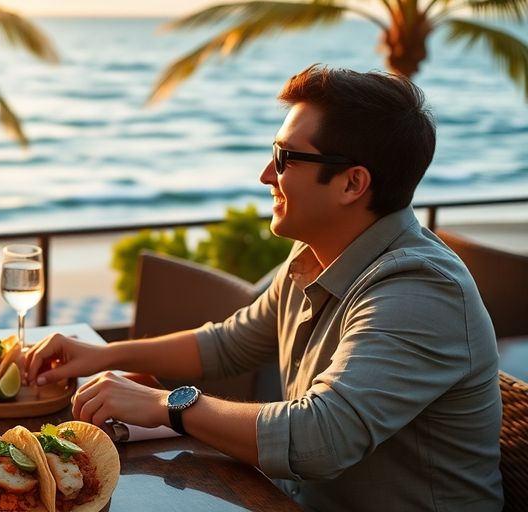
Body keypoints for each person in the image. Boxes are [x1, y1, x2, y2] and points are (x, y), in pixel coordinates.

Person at [25, 65, 503, 510]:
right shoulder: (314, 254)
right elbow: (226, 345)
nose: (265, 175)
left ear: (352, 183)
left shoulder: (418, 289)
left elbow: (321, 438)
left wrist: (164, 405)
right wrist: (102, 354)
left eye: (284, 158)